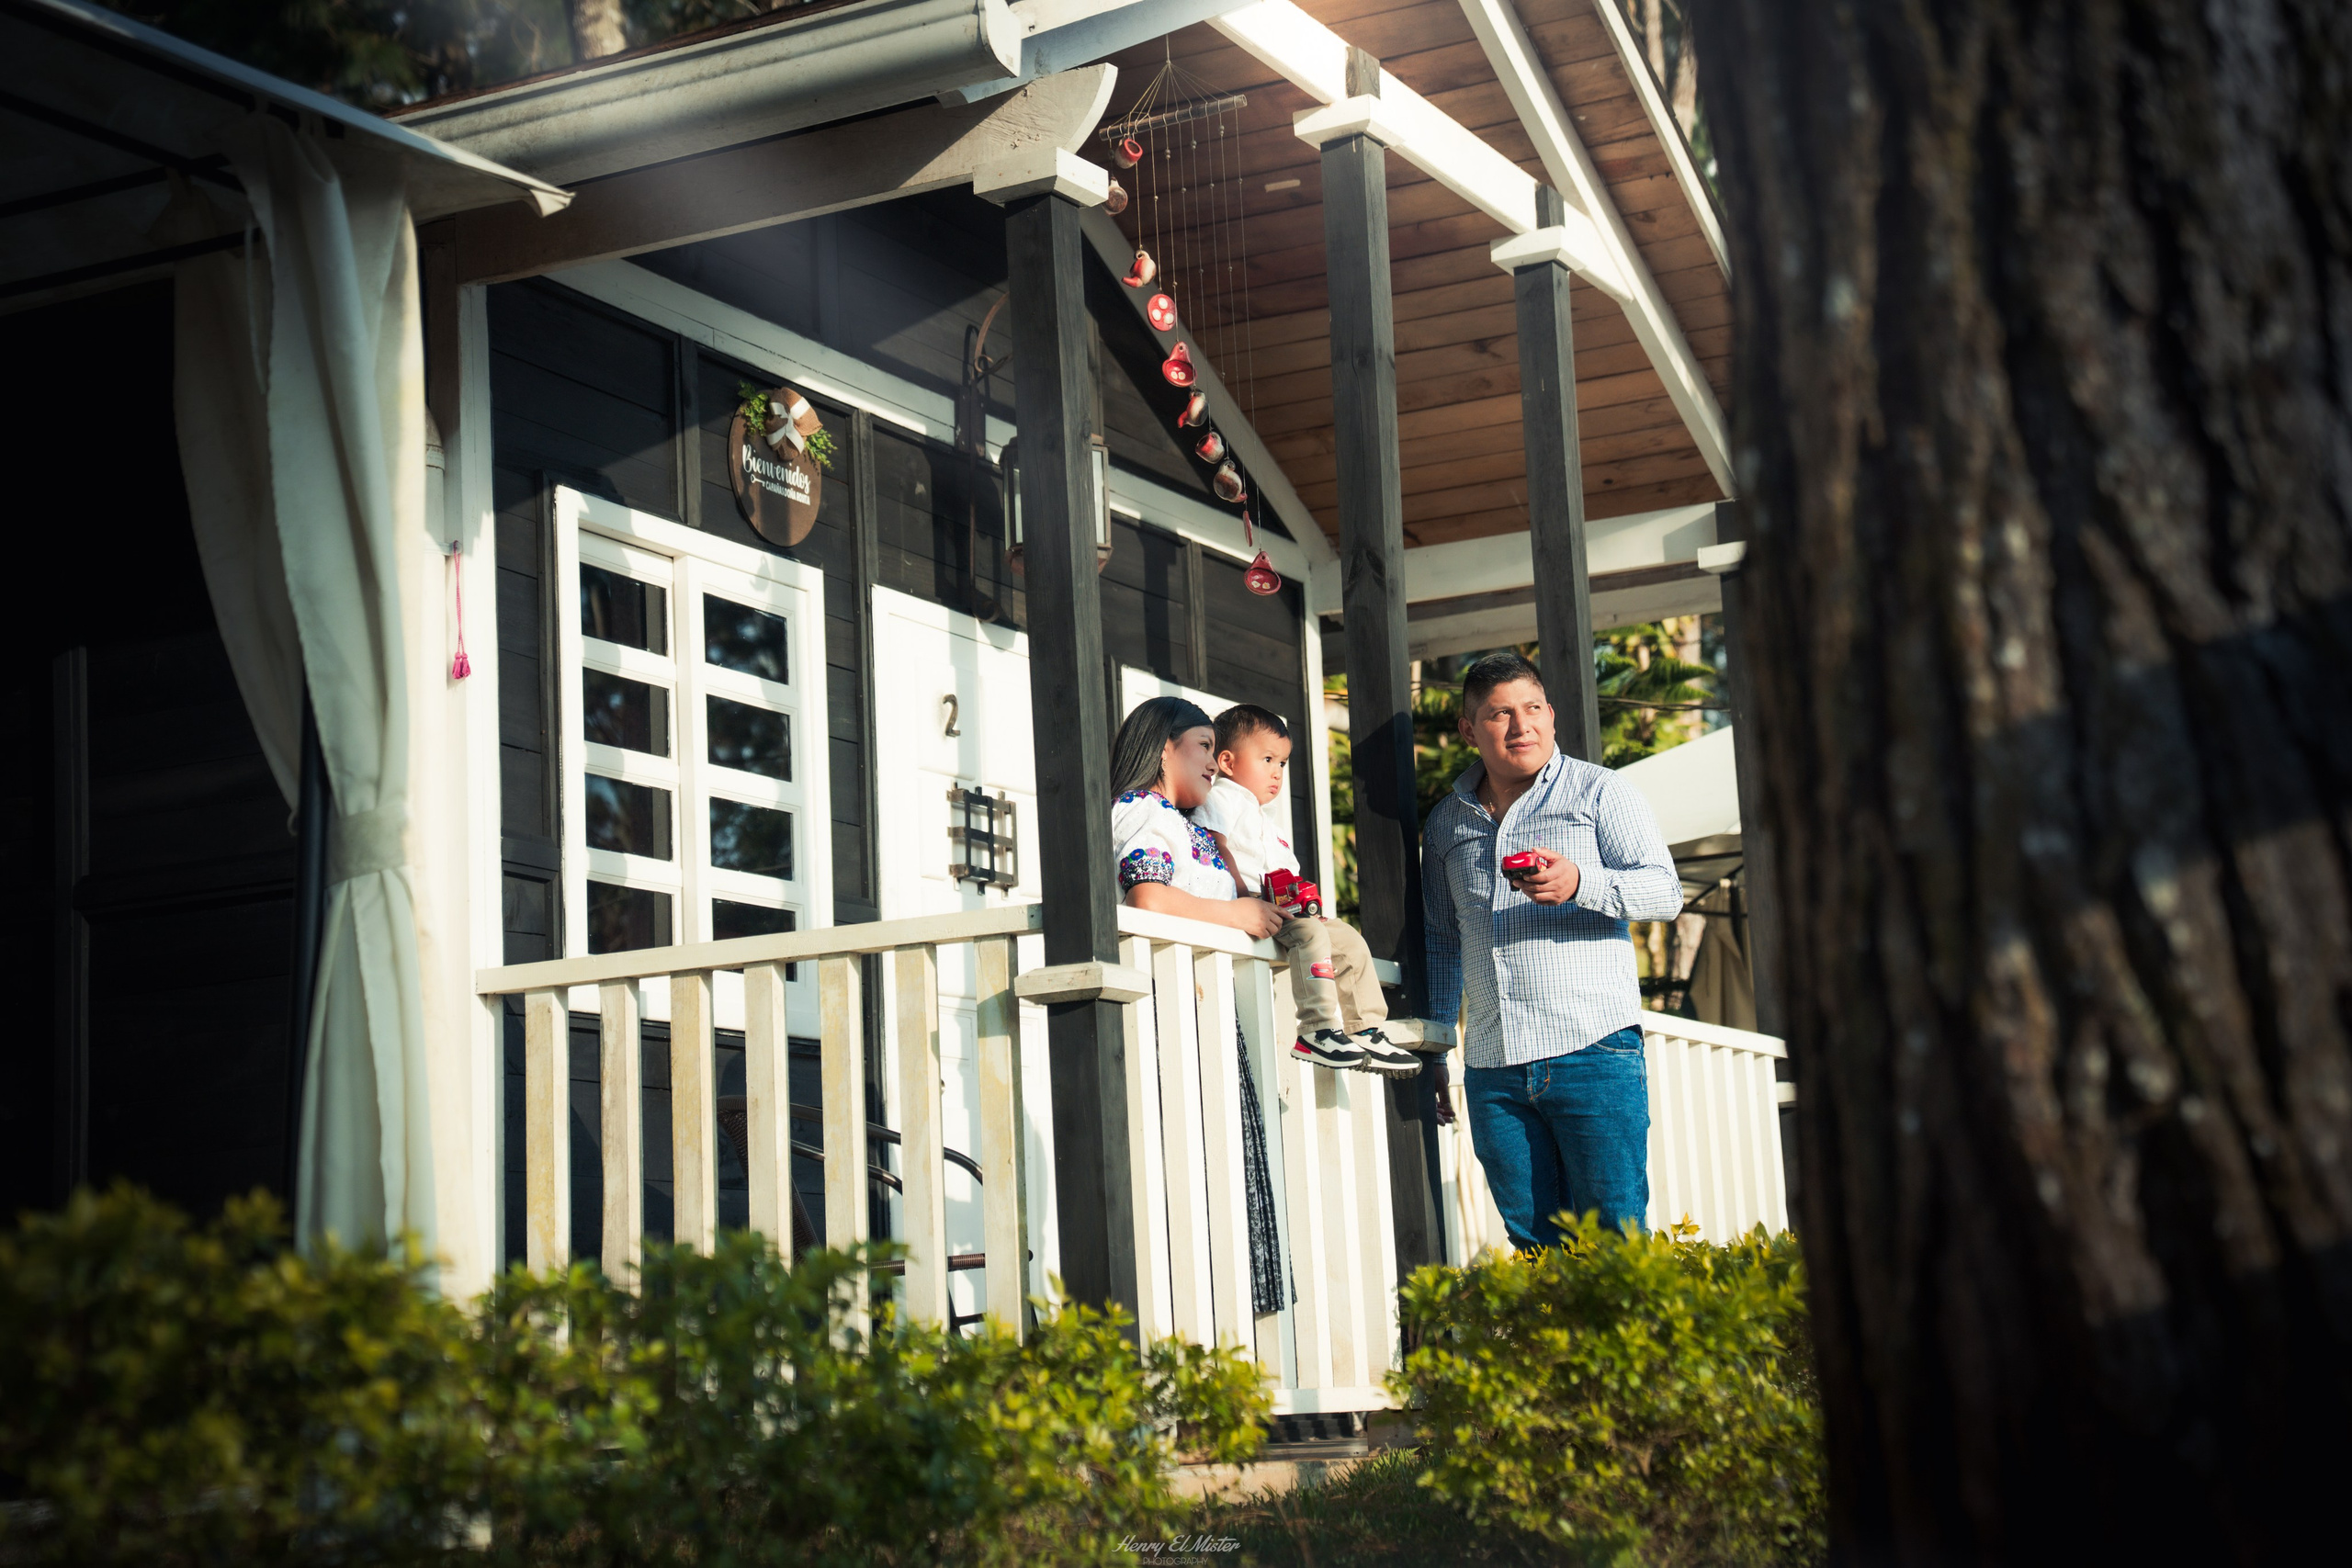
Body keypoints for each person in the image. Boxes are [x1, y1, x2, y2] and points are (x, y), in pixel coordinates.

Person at [1422, 651, 1684, 1247]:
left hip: (1592, 1050)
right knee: (1537, 1250)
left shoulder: (1601, 793)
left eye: (1533, 708)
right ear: (1469, 730)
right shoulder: (1445, 824)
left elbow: (1665, 892)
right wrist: (1437, 1047)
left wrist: (1580, 882)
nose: (1522, 726)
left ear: (1552, 714)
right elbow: (1441, 939)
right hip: (1493, 1069)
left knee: (1616, 1242)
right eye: (1500, 714)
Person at [1108, 695, 1288, 1314]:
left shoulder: (1189, 824)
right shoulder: (1140, 811)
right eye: (1204, 747)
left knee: (1224, 1168)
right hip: (1167, 1011)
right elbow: (1149, 899)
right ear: (1163, 747)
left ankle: (1225, 1325)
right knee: (1192, 1169)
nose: (1215, 762)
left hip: (1203, 1011)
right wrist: (1235, 913)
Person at [1193, 704, 1420, 1077]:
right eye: (1267, 759)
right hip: (1251, 904)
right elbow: (1215, 845)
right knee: (1310, 935)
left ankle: (1366, 1028)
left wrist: (1308, 904)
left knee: (1348, 939)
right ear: (1228, 762)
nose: (1276, 772)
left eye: (1282, 763)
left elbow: (1290, 877)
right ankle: (1316, 1029)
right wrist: (1240, 893)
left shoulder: (1270, 823)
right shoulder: (1223, 797)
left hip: (1288, 909)